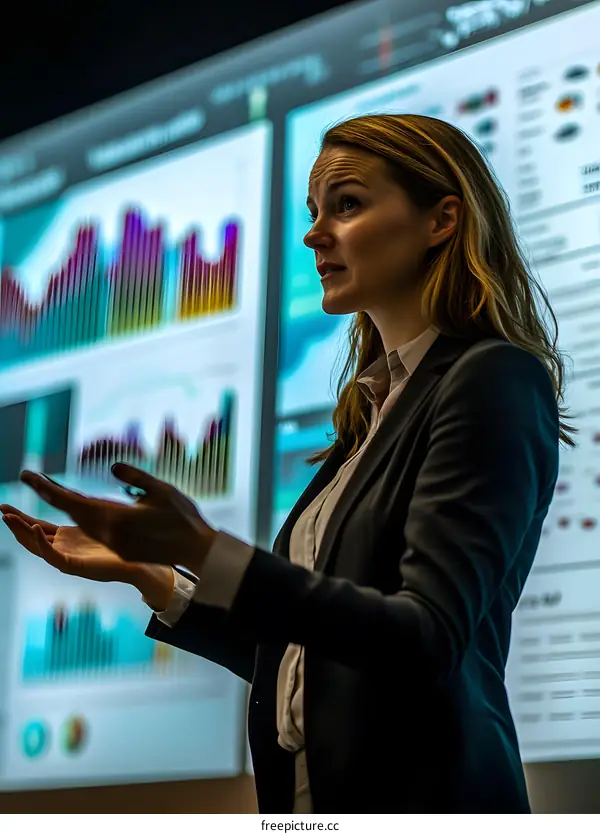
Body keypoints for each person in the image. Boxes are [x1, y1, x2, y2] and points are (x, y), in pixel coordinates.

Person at [1, 114, 572, 813]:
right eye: (313, 212)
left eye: (348, 205)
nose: (313, 233)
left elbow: (424, 638)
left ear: (441, 220)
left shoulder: (492, 379)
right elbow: (312, 669)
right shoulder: (368, 419)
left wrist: (208, 550)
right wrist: (150, 575)